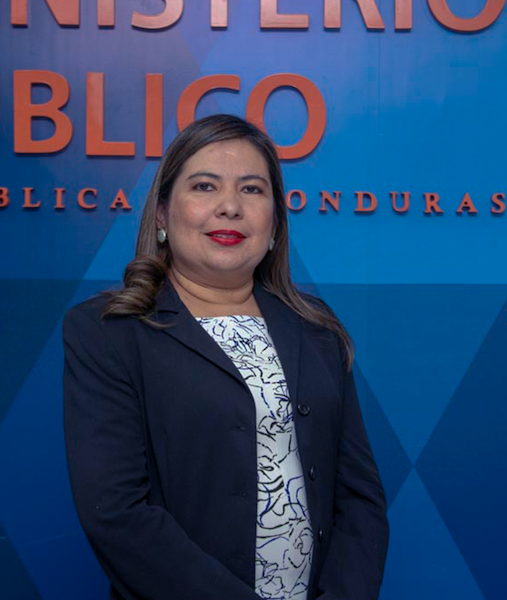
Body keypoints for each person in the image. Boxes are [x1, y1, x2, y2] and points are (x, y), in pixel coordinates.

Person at [63, 114, 389, 600]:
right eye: (205, 186)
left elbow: (360, 499)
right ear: (161, 215)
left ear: (275, 223)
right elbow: (116, 513)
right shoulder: (108, 332)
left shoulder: (316, 328)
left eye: (252, 189)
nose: (230, 207)